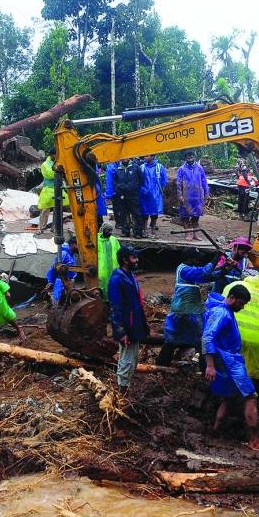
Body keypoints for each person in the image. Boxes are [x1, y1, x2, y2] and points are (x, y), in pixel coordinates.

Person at [202, 284, 259, 452]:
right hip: (229, 362)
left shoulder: (222, 310)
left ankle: (216, 432)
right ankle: (254, 440)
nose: (242, 307)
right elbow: (207, 338)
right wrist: (210, 365)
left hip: (228, 360)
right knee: (251, 396)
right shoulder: (222, 313)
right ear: (231, 297)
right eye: (241, 303)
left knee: (228, 398)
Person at [158, 248, 234, 366]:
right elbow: (204, 272)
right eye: (196, 258)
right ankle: (203, 367)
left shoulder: (190, 272)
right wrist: (216, 258)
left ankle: (164, 363)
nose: (198, 261)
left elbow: (209, 277)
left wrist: (225, 269)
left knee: (181, 338)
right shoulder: (184, 269)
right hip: (184, 311)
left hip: (189, 311)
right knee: (198, 338)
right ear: (189, 259)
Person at [224, 272, 259, 396]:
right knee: (252, 369)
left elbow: (223, 304)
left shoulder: (235, 285)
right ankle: (250, 395)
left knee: (231, 366)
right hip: (257, 338)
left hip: (234, 335)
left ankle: (229, 397)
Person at [109, 247, 148, 395]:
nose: (137, 260)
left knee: (133, 359)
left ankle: (124, 389)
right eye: (134, 258)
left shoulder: (129, 275)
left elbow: (136, 303)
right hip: (127, 326)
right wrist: (120, 331)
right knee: (127, 359)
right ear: (125, 260)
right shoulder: (117, 279)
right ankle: (121, 394)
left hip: (135, 324)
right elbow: (115, 307)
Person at [176, 150, 208, 242]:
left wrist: (206, 192)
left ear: (194, 157)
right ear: (185, 158)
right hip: (186, 195)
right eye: (188, 157)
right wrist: (180, 195)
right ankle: (187, 234)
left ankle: (196, 234)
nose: (190, 158)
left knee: (196, 216)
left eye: (191, 157)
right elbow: (178, 183)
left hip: (197, 195)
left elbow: (204, 181)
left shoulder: (199, 168)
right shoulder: (181, 169)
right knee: (185, 216)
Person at [37, 149, 68, 234]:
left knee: (57, 210)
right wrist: (59, 170)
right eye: (55, 155)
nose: (56, 156)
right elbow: (50, 175)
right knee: (44, 210)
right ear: (51, 155)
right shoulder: (45, 164)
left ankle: (54, 228)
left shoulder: (59, 161)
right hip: (48, 189)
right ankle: (41, 228)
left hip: (58, 188)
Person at [113, 159, 144, 238]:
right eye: (123, 158)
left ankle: (137, 232)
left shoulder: (135, 167)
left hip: (133, 195)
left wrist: (134, 188)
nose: (125, 159)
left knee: (136, 214)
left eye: (126, 157)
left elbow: (141, 180)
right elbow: (115, 181)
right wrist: (119, 189)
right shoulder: (118, 169)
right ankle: (125, 231)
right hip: (122, 195)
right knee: (123, 213)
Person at [139, 155, 168, 238]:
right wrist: (142, 190)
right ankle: (144, 230)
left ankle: (153, 230)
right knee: (144, 213)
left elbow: (164, 179)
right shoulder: (142, 167)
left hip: (156, 194)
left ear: (153, 157)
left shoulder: (159, 167)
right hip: (144, 193)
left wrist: (161, 189)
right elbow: (138, 180)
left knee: (154, 214)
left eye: (147, 156)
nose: (145, 157)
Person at [46, 237, 78, 308]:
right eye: (77, 244)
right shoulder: (64, 254)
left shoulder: (72, 255)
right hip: (61, 282)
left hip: (69, 282)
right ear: (72, 244)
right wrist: (50, 281)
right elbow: (54, 268)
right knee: (58, 303)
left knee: (67, 302)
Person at [97, 221, 121, 301]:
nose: (110, 232)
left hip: (114, 270)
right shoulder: (96, 240)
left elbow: (119, 253)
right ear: (103, 230)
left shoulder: (114, 240)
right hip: (102, 271)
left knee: (114, 288)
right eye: (108, 230)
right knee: (102, 288)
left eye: (111, 230)